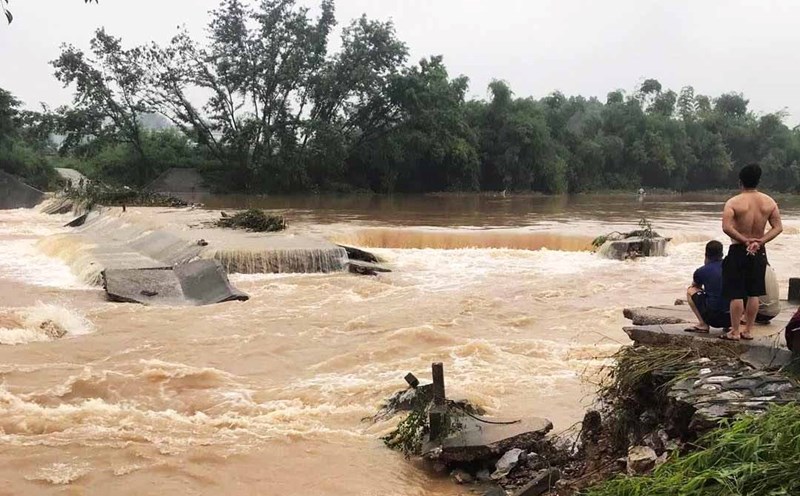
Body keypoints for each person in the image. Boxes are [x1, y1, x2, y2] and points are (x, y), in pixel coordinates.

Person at [720, 163, 783, 341]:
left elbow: (726, 227)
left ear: (740, 182)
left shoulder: (733, 202)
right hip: (759, 250)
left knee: (736, 293)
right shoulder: (769, 202)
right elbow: (778, 227)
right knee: (753, 293)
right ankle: (748, 330)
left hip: (739, 249)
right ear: (758, 181)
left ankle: (734, 331)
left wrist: (744, 240)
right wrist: (760, 241)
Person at [685, 240, 730, 333]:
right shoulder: (732, 267)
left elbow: (695, 286)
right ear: (722, 253)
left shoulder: (701, 271)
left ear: (706, 254)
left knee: (691, 290)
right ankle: (732, 326)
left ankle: (703, 324)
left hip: (713, 318)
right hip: (732, 317)